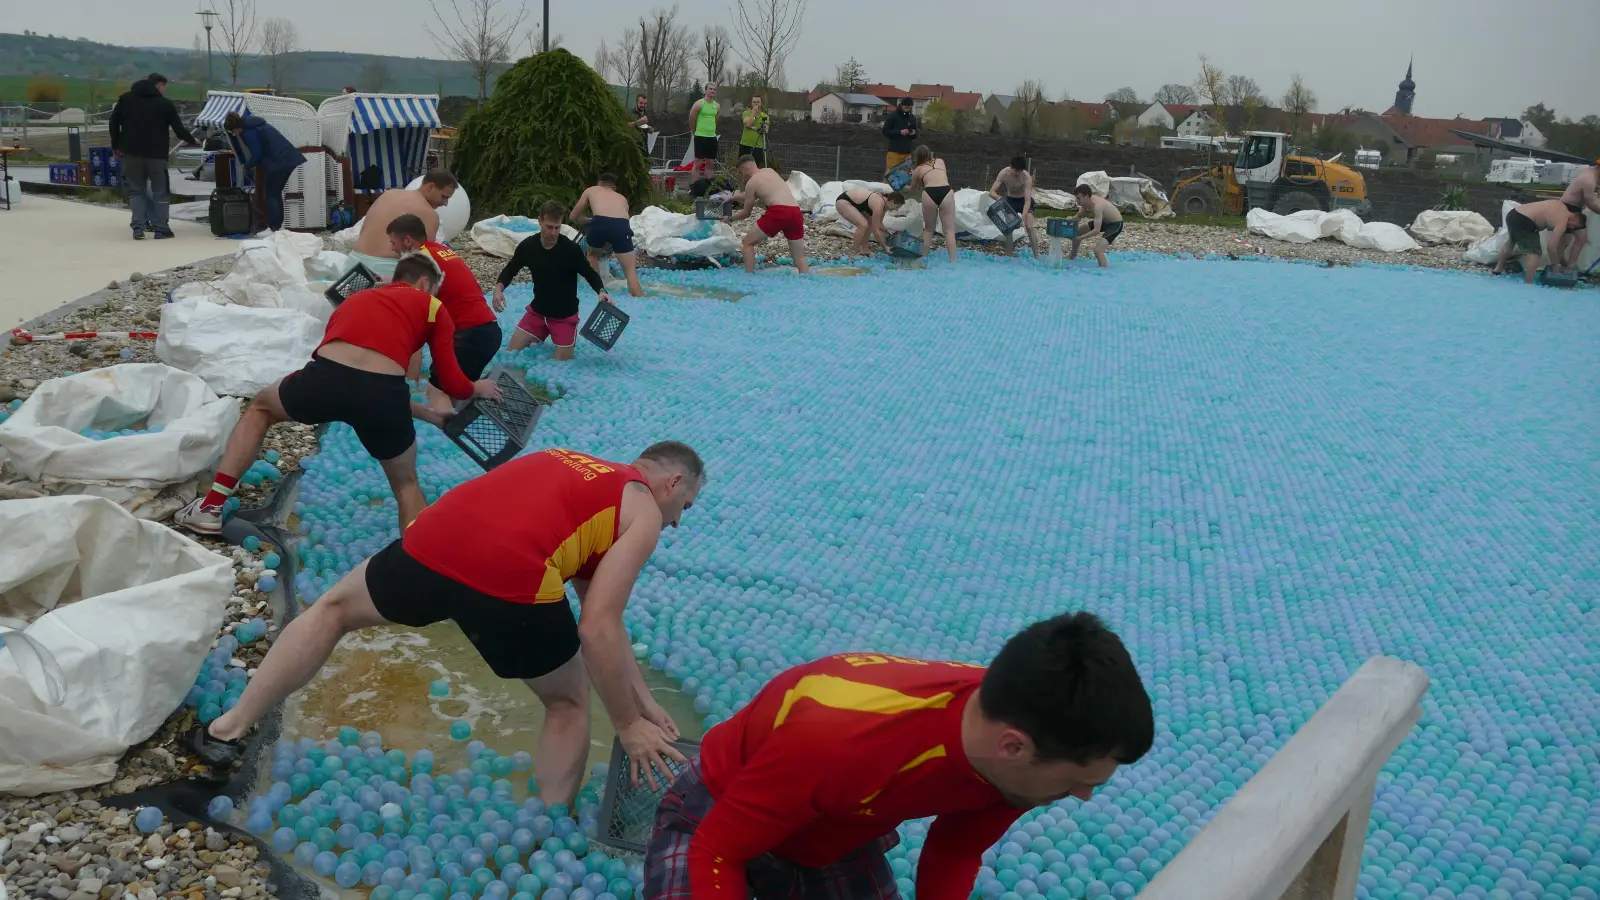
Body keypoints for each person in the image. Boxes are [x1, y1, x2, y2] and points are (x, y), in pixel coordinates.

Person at [188, 442, 706, 804]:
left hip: (436, 539)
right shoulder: (644, 512)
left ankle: (226, 730)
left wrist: (644, 701)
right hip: (511, 575)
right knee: (568, 703)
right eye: (684, 506)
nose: (678, 520)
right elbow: (596, 629)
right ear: (672, 482)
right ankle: (548, 831)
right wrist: (628, 725)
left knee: (332, 610)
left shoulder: (569, 459)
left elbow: (603, 615)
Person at [643, 611, 1154, 900]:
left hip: (836, 829)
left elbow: (955, 852)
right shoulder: (840, 740)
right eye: (1079, 782)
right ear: (1013, 747)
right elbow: (719, 851)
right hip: (720, 811)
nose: (1083, 796)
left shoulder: (1024, 743)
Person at [174, 253, 502, 537]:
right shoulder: (432, 306)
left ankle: (210, 508)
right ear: (425, 283)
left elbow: (352, 374)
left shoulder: (358, 298)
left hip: (326, 379)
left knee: (261, 407)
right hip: (382, 396)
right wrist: (477, 387)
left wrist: (430, 415)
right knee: (406, 485)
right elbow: (443, 382)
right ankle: (418, 569)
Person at [384, 214, 503, 415]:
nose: (392, 249)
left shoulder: (420, 259)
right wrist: (390, 282)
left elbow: (416, 305)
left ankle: (447, 430)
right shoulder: (438, 250)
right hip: (487, 331)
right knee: (456, 392)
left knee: (437, 389)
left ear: (407, 241)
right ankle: (470, 411)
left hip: (470, 334)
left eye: (393, 242)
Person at [495, 201, 612, 361]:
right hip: (537, 312)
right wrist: (498, 289)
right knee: (511, 353)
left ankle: (564, 333)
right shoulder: (528, 247)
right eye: (549, 227)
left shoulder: (570, 250)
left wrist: (601, 291)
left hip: (564, 316)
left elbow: (590, 274)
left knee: (562, 363)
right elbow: (510, 269)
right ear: (539, 221)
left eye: (557, 228)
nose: (553, 232)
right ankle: (540, 333)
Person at [108, 72, 198, 240]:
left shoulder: (125, 100)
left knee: (136, 191)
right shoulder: (164, 104)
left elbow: (113, 123)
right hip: (157, 155)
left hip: (131, 154)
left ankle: (138, 227)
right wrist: (193, 141)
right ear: (158, 86)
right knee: (160, 192)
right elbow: (179, 129)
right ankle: (161, 229)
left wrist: (115, 146)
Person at [349, 169, 459, 280]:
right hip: (383, 270)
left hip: (353, 264)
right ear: (431, 187)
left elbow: (362, 230)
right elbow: (425, 259)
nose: (445, 203)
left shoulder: (388, 194)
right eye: (444, 197)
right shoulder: (429, 214)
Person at [223, 111, 306, 233]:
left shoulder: (248, 132)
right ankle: (278, 227)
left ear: (236, 128)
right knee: (276, 193)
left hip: (277, 162)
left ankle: (273, 228)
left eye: (234, 132)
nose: (235, 135)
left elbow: (257, 155)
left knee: (270, 195)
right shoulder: (257, 124)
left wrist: (247, 166)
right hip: (290, 158)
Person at [727, 155, 809, 275]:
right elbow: (754, 194)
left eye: (741, 172)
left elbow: (746, 213)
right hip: (795, 211)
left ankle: (748, 277)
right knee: (799, 258)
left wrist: (730, 218)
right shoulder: (770, 171)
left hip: (778, 212)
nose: (742, 176)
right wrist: (732, 197)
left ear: (745, 168)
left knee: (747, 242)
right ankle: (806, 280)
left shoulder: (751, 182)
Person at [571, 174, 646, 297]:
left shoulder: (591, 190)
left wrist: (590, 221)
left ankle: (598, 291)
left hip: (599, 224)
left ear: (598, 184)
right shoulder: (622, 198)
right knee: (631, 274)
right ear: (614, 188)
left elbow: (573, 217)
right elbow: (617, 223)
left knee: (592, 255)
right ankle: (639, 299)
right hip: (621, 226)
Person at [1491, 198, 1582, 284]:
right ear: (1574, 217)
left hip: (1513, 214)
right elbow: (1551, 247)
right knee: (1535, 253)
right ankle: (1528, 283)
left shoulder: (1560, 205)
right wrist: (1555, 266)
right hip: (1525, 220)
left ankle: (1497, 269)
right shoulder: (1563, 221)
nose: (1571, 228)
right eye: (1574, 226)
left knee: (1511, 241)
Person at [910, 145, 959, 264]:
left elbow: (912, 188)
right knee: (949, 230)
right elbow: (940, 176)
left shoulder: (918, 170)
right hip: (946, 192)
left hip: (929, 193)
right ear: (930, 153)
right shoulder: (940, 161)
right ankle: (953, 260)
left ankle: (924, 257)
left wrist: (912, 178)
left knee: (928, 229)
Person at [989, 156, 1041, 258]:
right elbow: (991, 192)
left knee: (1029, 226)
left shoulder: (1026, 177)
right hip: (1010, 201)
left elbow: (1027, 201)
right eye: (1016, 171)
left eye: (1020, 171)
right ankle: (1009, 255)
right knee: (1009, 228)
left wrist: (1023, 217)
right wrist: (999, 198)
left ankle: (1036, 256)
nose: (1017, 173)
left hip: (1023, 201)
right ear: (1010, 167)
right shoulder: (1004, 173)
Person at [834, 187, 903, 257]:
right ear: (892, 201)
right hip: (843, 202)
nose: (896, 209)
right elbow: (876, 231)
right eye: (897, 206)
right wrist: (885, 247)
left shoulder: (885, 207)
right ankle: (854, 253)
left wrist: (887, 230)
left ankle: (865, 250)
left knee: (870, 225)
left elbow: (879, 223)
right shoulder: (879, 205)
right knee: (863, 224)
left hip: (856, 205)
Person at [1069, 184, 1124, 269]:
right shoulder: (1085, 202)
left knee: (1098, 251)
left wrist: (1080, 238)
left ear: (1086, 196)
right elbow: (1080, 215)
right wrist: (1071, 219)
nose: (1077, 201)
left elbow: (1096, 231)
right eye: (1076, 198)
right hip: (1104, 221)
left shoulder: (1097, 206)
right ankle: (1072, 255)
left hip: (1115, 224)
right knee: (1077, 231)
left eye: (1078, 198)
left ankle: (1104, 271)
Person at [687, 82, 720, 190]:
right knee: (697, 164)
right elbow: (692, 118)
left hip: (712, 137)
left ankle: (708, 189)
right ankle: (694, 189)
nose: (712, 91)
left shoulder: (717, 105)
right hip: (700, 136)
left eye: (714, 89)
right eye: (710, 89)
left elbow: (716, 119)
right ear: (706, 90)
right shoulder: (699, 104)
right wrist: (694, 131)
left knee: (710, 164)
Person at [882, 97, 920, 176]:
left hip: (907, 154)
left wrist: (913, 133)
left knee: (906, 177)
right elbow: (885, 131)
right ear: (901, 105)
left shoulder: (912, 118)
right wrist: (900, 132)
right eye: (906, 107)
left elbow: (915, 134)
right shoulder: (892, 116)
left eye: (909, 107)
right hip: (894, 152)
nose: (907, 109)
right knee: (891, 176)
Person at [739, 95, 771, 169]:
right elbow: (747, 124)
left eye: (758, 102)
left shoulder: (765, 116)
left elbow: (765, 130)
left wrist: (752, 127)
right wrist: (753, 113)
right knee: (742, 167)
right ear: (751, 103)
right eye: (754, 102)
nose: (756, 104)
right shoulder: (746, 113)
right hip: (745, 144)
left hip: (758, 146)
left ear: (761, 103)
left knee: (754, 168)